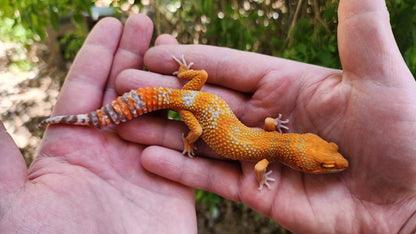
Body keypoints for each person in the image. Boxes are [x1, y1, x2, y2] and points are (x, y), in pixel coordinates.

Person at [0, 0, 415, 232]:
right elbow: (260, 165)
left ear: (303, 146)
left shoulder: (274, 141)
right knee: (190, 127)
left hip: (195, 96)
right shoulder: (265, 157)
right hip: (194, 112)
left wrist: (186, 81)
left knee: (190, 91)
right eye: (328, 161)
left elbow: (271, 127)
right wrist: (189, 139)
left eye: (328, 159)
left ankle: (168, 85)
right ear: (300, 154)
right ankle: (105, 119)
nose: (334, 163)